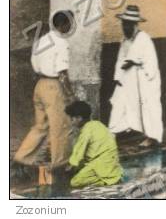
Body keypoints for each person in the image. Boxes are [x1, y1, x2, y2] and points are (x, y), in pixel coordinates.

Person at [13, 10, 75, 178]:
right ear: (63, 25)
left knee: (40, 126)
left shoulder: (41, 41)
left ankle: (21, 159)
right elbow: (62, 73)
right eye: (69, 23)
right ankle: (61, 166)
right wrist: (70, 94)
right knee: (60, 127)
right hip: (53, 87)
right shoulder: (61, 43)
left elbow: (34, 63)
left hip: (39, 85)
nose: (70, 27)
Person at [108, 5, 163, 147]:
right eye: (124, 24)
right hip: (127, 79)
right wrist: (118, 78)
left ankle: (152, 137)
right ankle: (111, 135)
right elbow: (120, 60)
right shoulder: (124, 41)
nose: (125, 27)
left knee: (148, 108)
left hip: (144, 80)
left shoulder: (144, 39)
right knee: (118, 103)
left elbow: (151, 63)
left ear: (135, 25)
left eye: (128, 25)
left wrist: (134, 62)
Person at [64, 101, 123, 189]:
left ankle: (107, 181)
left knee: (74, 182)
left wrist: (69, 167)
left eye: (72, 119)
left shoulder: (86, 131)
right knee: (84, 168)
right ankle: (111, 177)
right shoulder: (97, 124)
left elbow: (78, 152)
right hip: (112, 161)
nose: (71, 123)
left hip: (101, 164)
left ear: (79, 118)